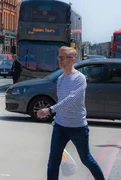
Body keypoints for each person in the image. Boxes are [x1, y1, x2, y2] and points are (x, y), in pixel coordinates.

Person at [37, 46, 105, 180]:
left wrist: (50, 110)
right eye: (59, 57)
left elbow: (71, 99)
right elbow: (62, 101)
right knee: (53, 161)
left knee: (86, 159)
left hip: (77, 127)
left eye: (63, 57)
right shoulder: (61, 78)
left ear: (72, 59)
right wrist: (56, 117)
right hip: (60, 126)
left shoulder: (79, 79)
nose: (59, 60)